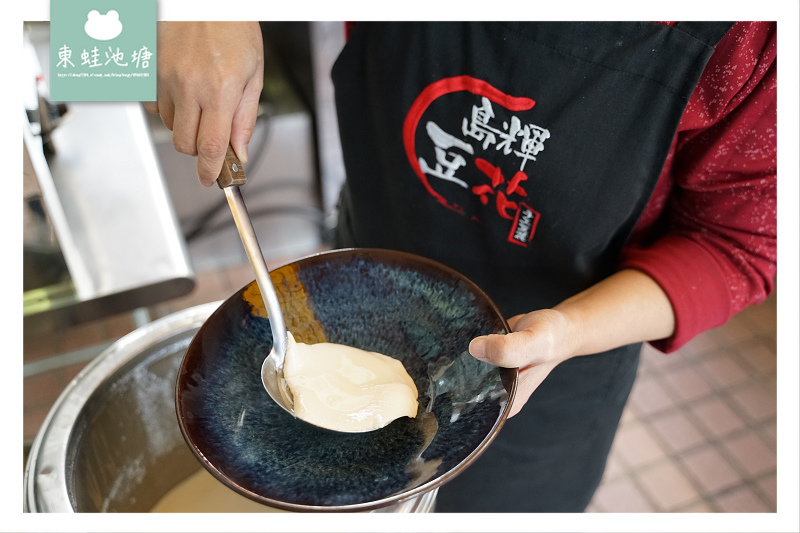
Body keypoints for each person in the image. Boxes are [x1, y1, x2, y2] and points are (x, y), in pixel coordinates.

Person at [145, 21, 777, 512]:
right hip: (357, 299)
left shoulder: (753, 37)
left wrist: (568, 332)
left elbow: (739, 244)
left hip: (551, 370)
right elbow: (87, 42)